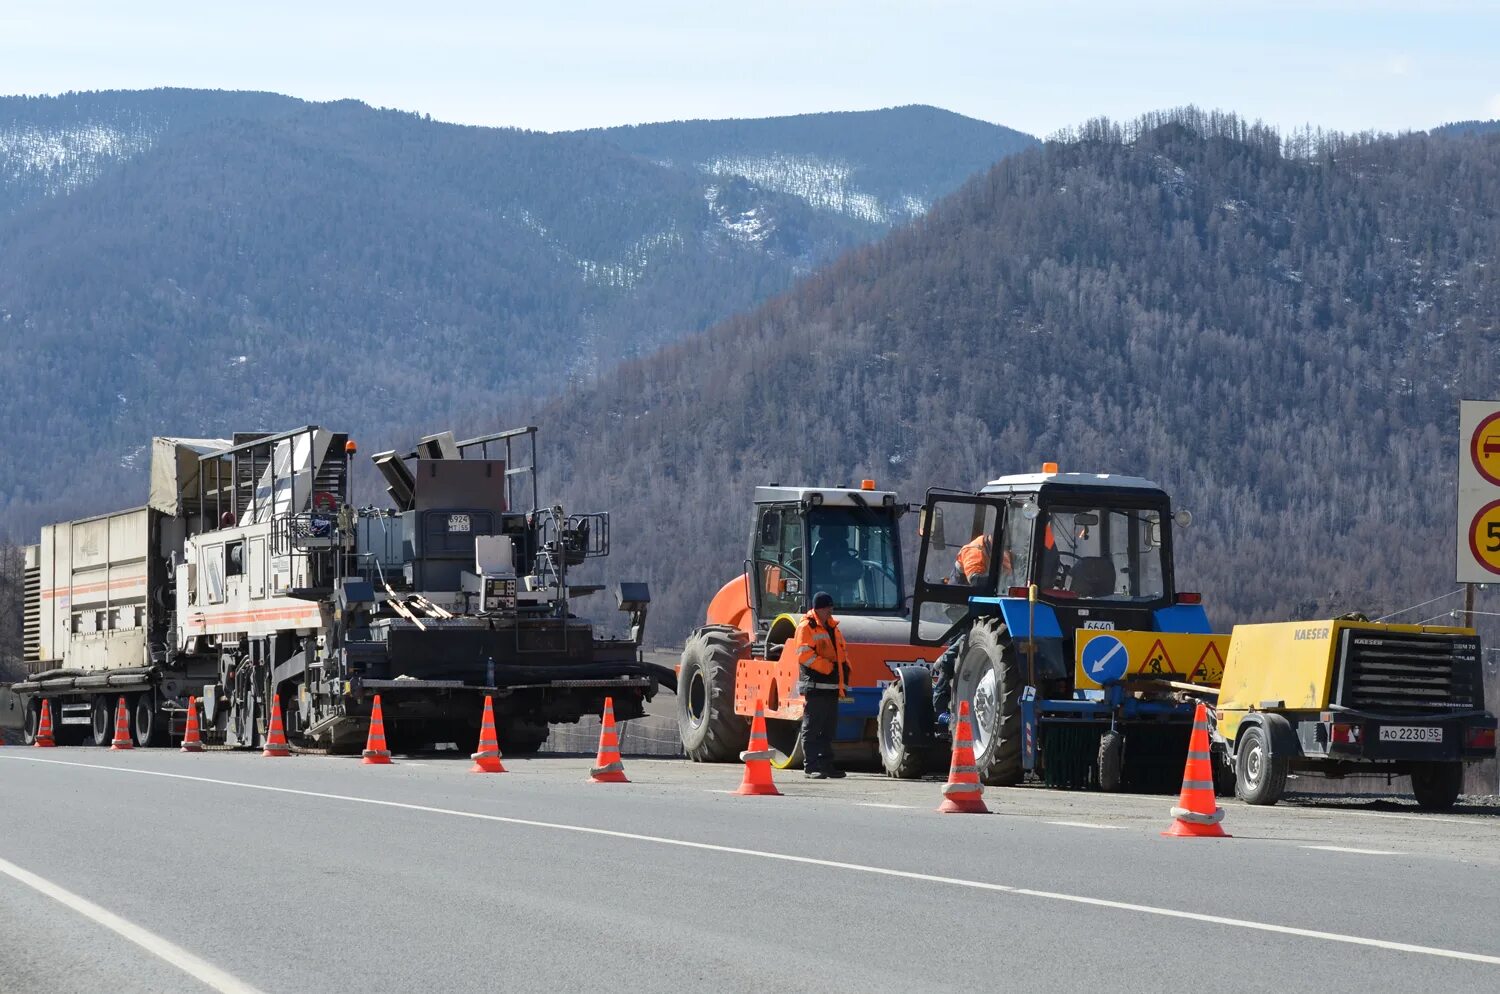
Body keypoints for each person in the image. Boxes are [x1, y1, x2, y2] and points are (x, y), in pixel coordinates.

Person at [931, 530, 993, 727]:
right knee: (964, 641)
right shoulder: (975, 550)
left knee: (965, 642)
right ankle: (939, 705)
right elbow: (976, 579)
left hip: (974, 605)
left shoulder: (997, 551)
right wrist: (1001, 578)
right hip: (958, 604)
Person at [795, 590, 851, 779]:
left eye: (831, 608)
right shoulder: (807, 627)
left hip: (831, 687)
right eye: (827, 608)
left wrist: (843, 674)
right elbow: (804, 655)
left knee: (828, 730)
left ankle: (826, 765)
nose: (830, 611)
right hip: (816, 686)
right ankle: (811, 767)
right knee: (812, 728)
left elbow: (841, 654)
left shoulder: (833, 627)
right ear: (818, 609)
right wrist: (828, 668)